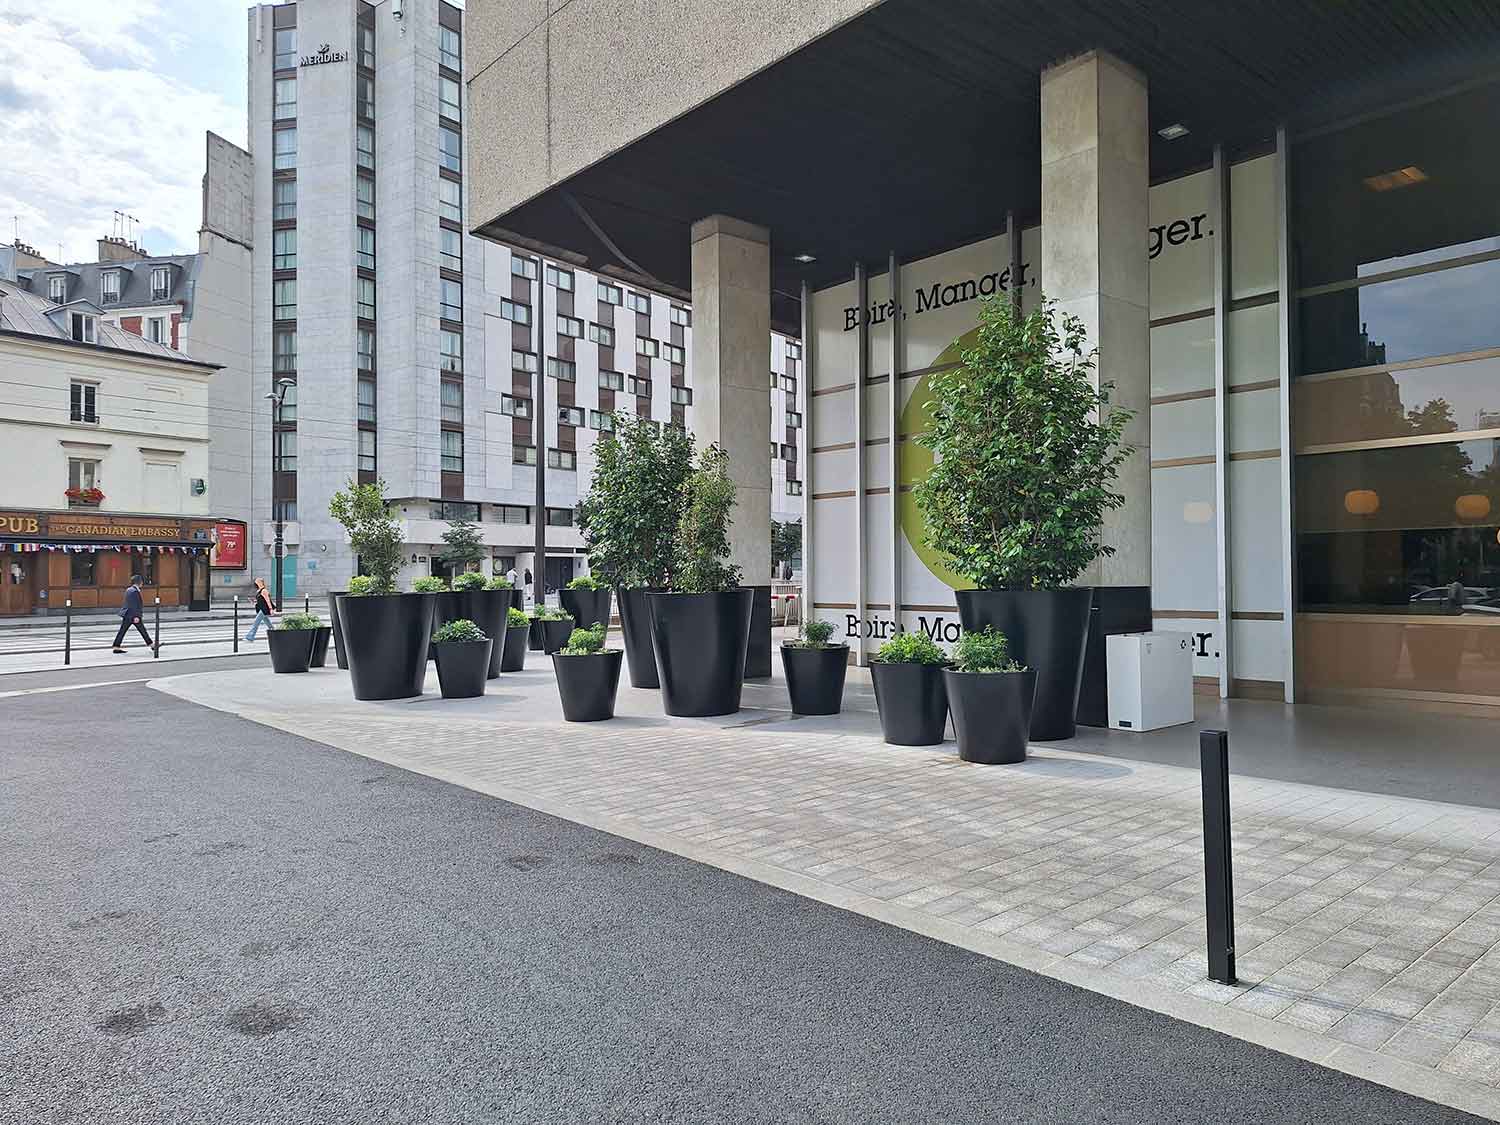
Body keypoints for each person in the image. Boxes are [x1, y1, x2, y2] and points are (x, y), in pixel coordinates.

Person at [112, 575, 156, 654]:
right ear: (139, 582)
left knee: (123, 631)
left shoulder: (129, 589)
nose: (142, 583)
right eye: (142, 581)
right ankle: (152, 645)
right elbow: (133, 605)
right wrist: (136, 616)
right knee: (142, 630)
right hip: (132, 615)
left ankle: (116, 646)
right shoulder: (134, 591)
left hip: (128, 614)